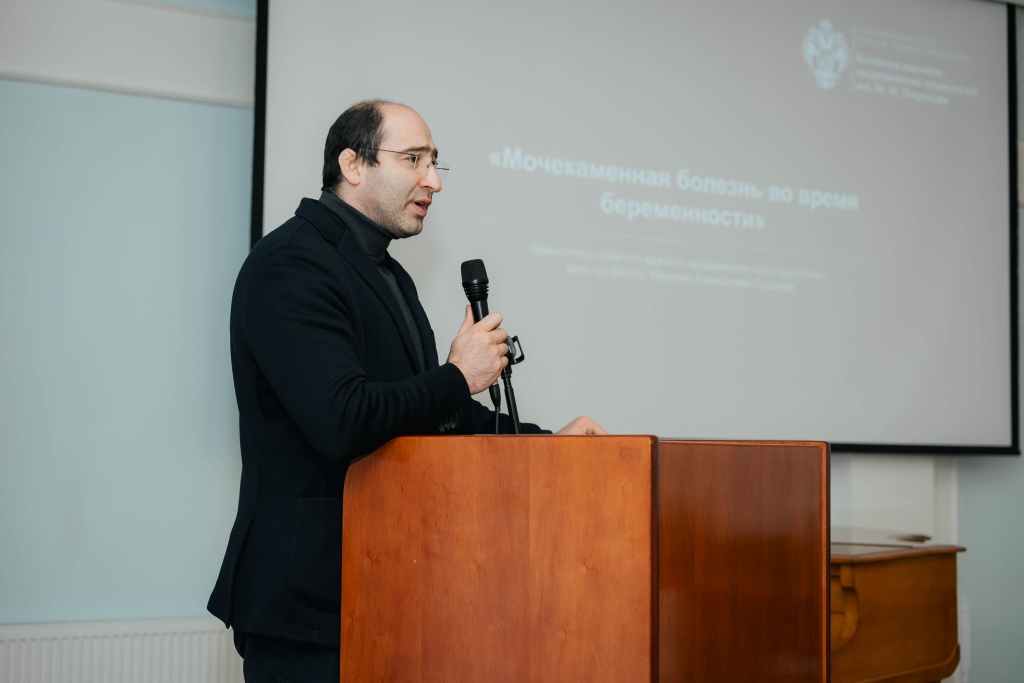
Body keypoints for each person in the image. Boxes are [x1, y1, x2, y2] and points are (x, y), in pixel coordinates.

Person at [208, 99, 605, 682]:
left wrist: (549, 447)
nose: (433, 181)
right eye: (413, 159)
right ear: (353, 164)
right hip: (308, 602)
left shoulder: (388, 274)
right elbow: (343, 419)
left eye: (435, 162)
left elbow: (433, 417)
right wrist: (458, 375)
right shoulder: (290, 264)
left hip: (385, 583)